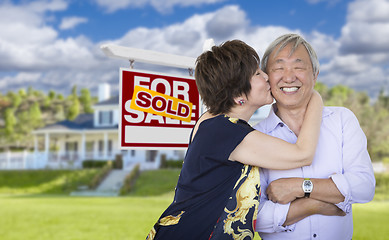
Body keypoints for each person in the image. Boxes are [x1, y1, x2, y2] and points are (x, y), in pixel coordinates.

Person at [146, 40, 323, 240]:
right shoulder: (226, 132)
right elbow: (303, 154)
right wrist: (314, 96)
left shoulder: (211, 121)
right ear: (239, 92)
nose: (266, 77)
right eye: (257, 74)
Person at [253, 33, 376, 240]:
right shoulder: (255, 136)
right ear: (267, 78)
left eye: (298, 67)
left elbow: (364, 186)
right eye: (278, 68)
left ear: (315, 75)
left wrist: (300, 187)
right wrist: (312, 204)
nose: (289, 77)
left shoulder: (342, 120)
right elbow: (253, 217)